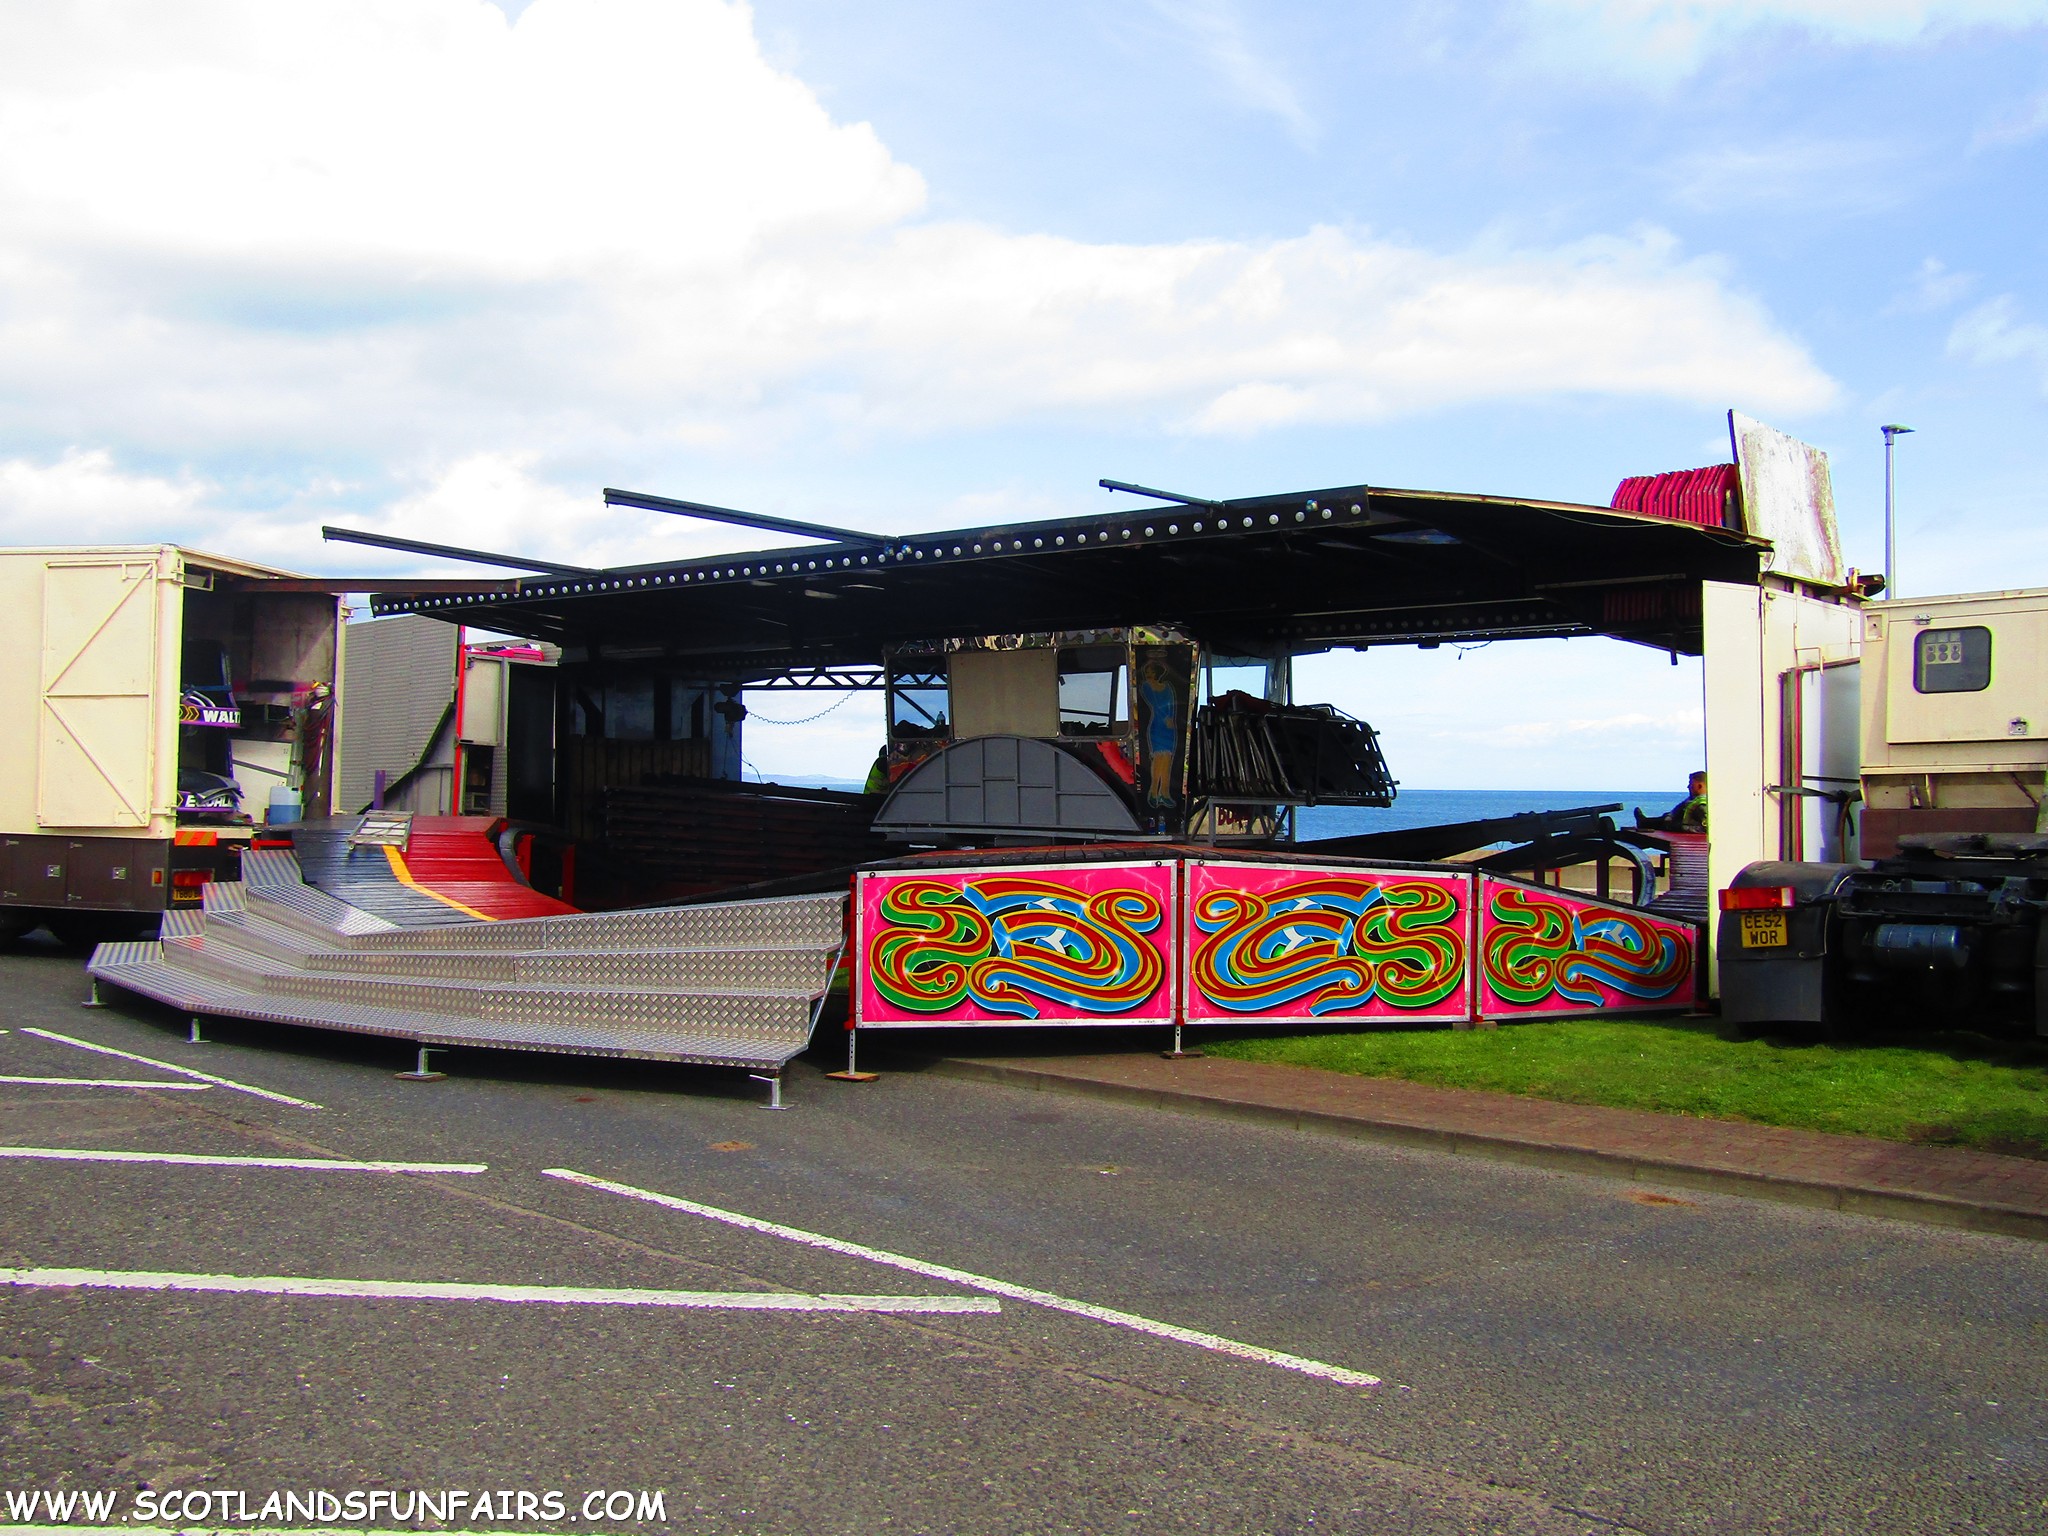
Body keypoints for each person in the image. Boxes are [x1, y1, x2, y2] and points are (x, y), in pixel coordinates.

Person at [1637, 771, 1707, 834]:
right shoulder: (1693, 799)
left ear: (1699, 786)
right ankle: (1644, 822)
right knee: (1665, 817)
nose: (1688, 787)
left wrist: (1682, 827)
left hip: (1682, 828)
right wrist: (1669, 816)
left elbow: (1706, 828)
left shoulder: (1702, 805)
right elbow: (1678, 809)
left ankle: (1643, 822)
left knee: (1666, 824)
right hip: (1678, 822)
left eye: (1691, 784)